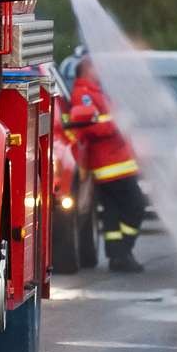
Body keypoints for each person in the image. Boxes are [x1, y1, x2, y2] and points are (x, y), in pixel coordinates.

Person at [68, 58, 146, 273]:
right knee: (136, 206)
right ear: (86, 70)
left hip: (116, 162)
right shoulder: (83, 94)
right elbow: (89, 127)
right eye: (96, 66)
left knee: (112, 212)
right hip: (110, 164)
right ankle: (122, 252)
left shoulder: (95, 92)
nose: (100, 70)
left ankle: (118, 257)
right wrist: (117, 123)